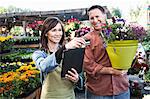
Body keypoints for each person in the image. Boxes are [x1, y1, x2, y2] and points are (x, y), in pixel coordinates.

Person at [32, 17, 86, 99]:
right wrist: (64, 48)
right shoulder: (39, 54)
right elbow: (43, 66)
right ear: (46, 33)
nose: (58, 34)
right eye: (54, 30)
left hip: (69, 96)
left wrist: (77, 79)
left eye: (60, 30)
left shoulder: (70, 52)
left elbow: (81, 81)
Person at [83, 5, 130, 99]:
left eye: (97, 16)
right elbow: (88, 65)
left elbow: (129, 53)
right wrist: (112, 71)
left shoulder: (119, 33)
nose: (95, 20)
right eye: (91, 18)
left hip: (121, 89)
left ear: (104, 16)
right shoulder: (87, 39)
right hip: (98, 92)